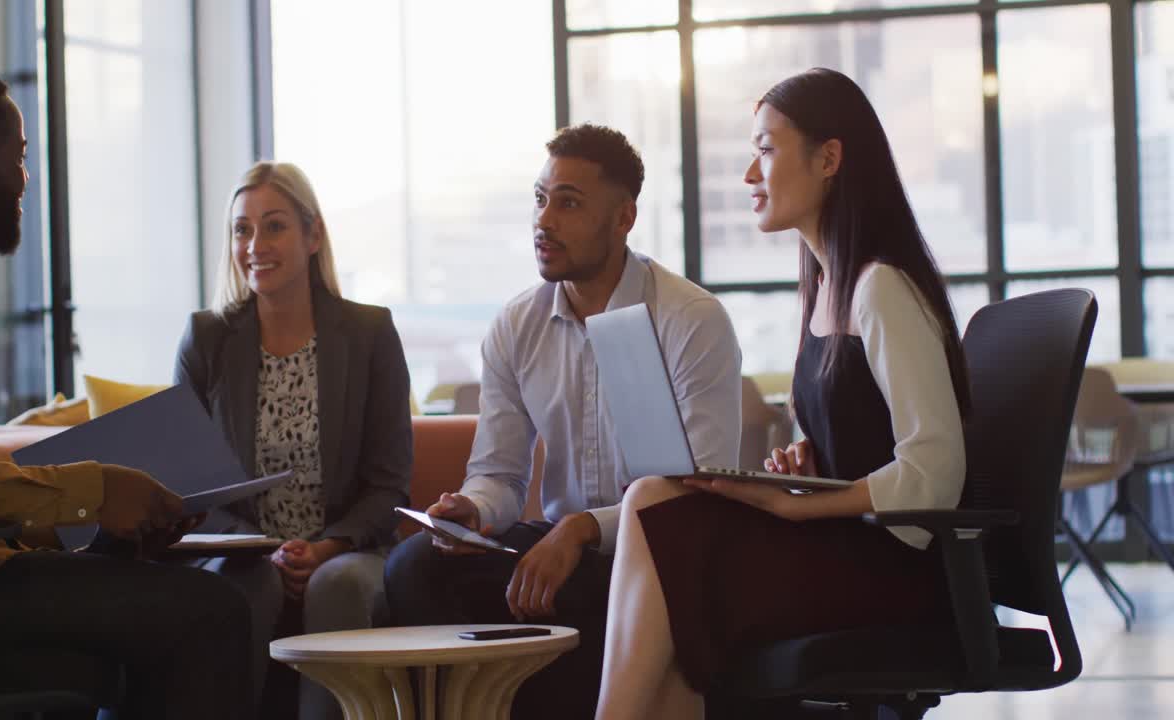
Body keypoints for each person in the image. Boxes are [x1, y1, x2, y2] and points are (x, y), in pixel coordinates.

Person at [594, 67, 971, 719]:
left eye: (766, 150)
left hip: (892, 574)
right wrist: (811, 468)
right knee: (654, 501)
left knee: (658, 514)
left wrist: (802, 509)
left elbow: (935, 471)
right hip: (849, 549)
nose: (750, 174)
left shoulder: (880, 288)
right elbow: (867, 438)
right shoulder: (827, 287)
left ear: (828, 159)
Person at [383, 124, 742, 719]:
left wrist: (581, 530)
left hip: (663, 556)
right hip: (558, 548)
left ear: (624, 218)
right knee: (413, 568)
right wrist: (473, 510)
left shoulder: (690, 319)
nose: (544, 221)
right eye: (540, 199)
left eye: (568, 204)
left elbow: (701, 492)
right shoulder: (516, 324)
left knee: (585, 592)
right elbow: (500, 475)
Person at [0, 63, 252, 719]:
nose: (26, 178)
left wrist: (102, 521)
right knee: (212, 613)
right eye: (18, 158)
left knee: (125, 642)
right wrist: (96, 491)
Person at [175, 161, 412, 719]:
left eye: (275, 226)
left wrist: (325, 547)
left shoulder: (370, 334)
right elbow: (191, 491)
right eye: (242, 229)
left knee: (335, 584)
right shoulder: (206, 339)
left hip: (348, 550)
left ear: (314, 234)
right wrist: (263, 549)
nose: (256, 245)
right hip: (242, 554)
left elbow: (388, 486)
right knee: (250, 584)